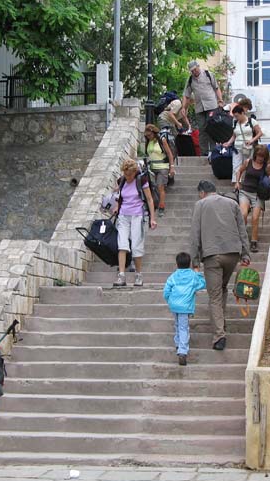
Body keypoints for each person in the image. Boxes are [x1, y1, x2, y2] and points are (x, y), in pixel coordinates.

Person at [189, 180, 250, 351]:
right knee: (221, 288)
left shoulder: (200, 205)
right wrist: (245, 254)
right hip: (233, 254)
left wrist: (194, 261)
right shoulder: (232, 203)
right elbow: (242, 230)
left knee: (214, 295)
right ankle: (222, 324)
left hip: (212, 256)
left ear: (202, 193)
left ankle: (219, 336)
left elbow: (195, 234)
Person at [112, 159, 157, 287]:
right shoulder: (121, 181)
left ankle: (138, 275)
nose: (128, 177)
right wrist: (117, 207)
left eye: (130, 175)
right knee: (122, 245)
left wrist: (152, 218)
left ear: (134, 172)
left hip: (138, 215)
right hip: (123, 216)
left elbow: (149, 199)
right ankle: (121, 275)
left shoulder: (141, 180)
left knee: (136, 246)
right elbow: (120, 198)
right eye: (126, 174)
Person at [163, 252, 207, 366]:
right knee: (183, 327)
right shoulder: (192, 276)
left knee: (177, 324)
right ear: (189, 264)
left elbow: (166, 291)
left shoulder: (173, 276)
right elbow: (203, 284)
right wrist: (198, 274)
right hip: (185, 306)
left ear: (177, 264)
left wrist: (169, 301)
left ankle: (178, 343)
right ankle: (182, 351)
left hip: (174, 305)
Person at [234, 144, 270, 254]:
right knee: (243, 214)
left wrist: (269, 180)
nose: (260, 158)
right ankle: (243, 237)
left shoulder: (266, 167)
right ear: (255, 154)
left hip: (257, 194)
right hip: (245, 192)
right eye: (259, 156)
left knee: (255, 218)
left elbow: (269, 180)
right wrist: (237, 182)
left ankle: (254, 241)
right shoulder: (248, 162)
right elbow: (239, 171)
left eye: (263, 156)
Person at [181, 60, 224, 157]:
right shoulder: (190, 80)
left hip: (211, 106)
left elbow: (216, 88)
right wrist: (183, 107)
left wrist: (220, 100)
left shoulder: (208, 74)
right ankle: (204, 152)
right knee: (202, 129)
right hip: (199, 108)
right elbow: (186, 95)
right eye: (192, 71)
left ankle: (214, 151)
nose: (194, 72)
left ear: (198, 67)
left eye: (195, 69)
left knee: (212, 128)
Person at [223, 105, 263, 184]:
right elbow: (234, 135)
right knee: (235, 165)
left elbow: (260, 133)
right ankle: (236, 182)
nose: (236, 118)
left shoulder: (252, 121)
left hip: (248, 147)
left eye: (237, 116)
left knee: (248, 164)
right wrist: (228, 143)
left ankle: (248, 182)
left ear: (242, 113)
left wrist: (252, 140)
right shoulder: (235, 122)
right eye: (234, 116)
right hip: (237, 147)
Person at [144, 124, 175, 218]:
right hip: (152, 167)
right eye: (147, 135)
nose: (148, 137)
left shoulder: (162, 140)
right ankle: (154, 204)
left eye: (149, 135)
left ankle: (161, 207)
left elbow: (169, 154)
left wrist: (172, 167)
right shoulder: (148, 142)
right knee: (152, 187)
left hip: (162, 167)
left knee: (160, 187)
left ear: (154, 133)